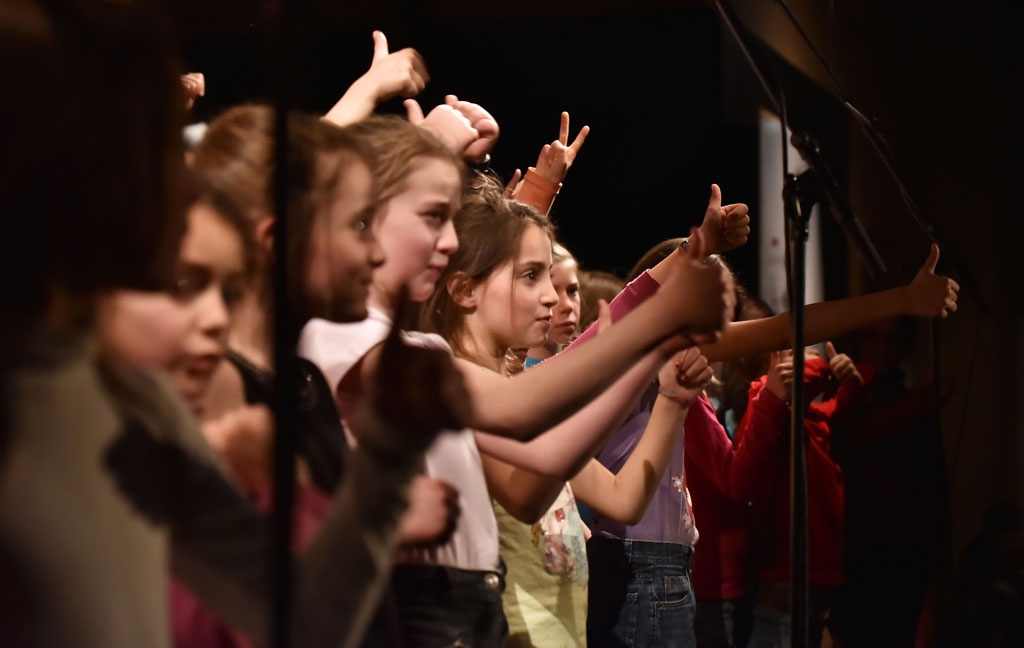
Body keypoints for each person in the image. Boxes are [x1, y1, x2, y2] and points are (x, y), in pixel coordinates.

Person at [299, 115, 735, 646]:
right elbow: (524, 408)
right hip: (430, 609)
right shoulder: (348, 341)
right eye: (433, 218)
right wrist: (653, 329)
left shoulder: (426, 351)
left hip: (472, 608)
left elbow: (548, 461)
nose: (446, 242)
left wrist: (656, 356)